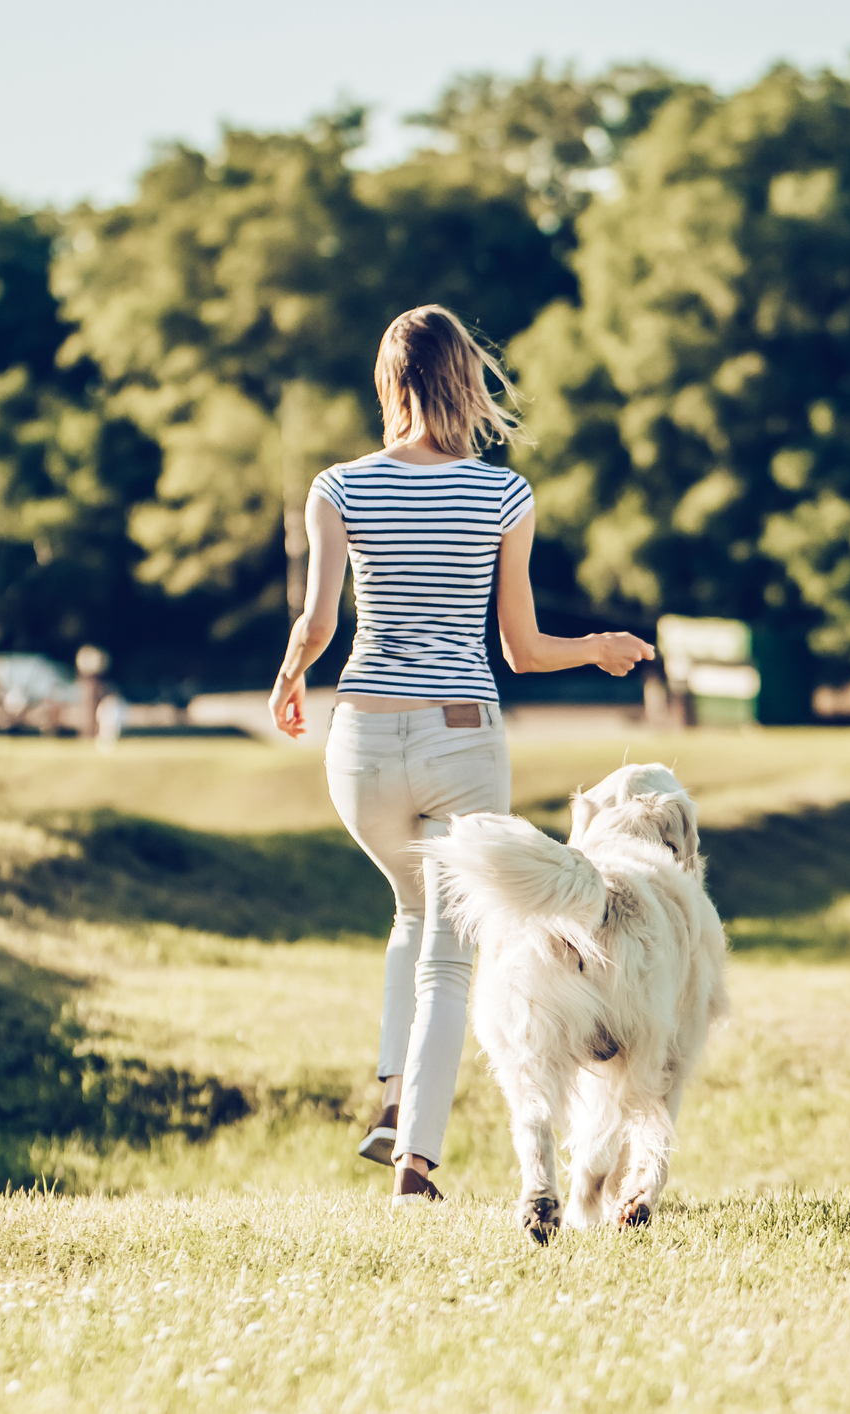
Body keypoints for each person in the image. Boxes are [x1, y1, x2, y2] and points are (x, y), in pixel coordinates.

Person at [269, 305, 654, 1210]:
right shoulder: (500, 493)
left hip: (359, 735)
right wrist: (597, 645)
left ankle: (392, 1096)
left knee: (412, 912)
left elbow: (320, 621)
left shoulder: (339, 487)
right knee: (449, 951)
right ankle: (413, 1163)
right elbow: (519, 647)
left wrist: (290, 677)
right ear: (465, 382)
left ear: (386, 384)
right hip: (458, 734)